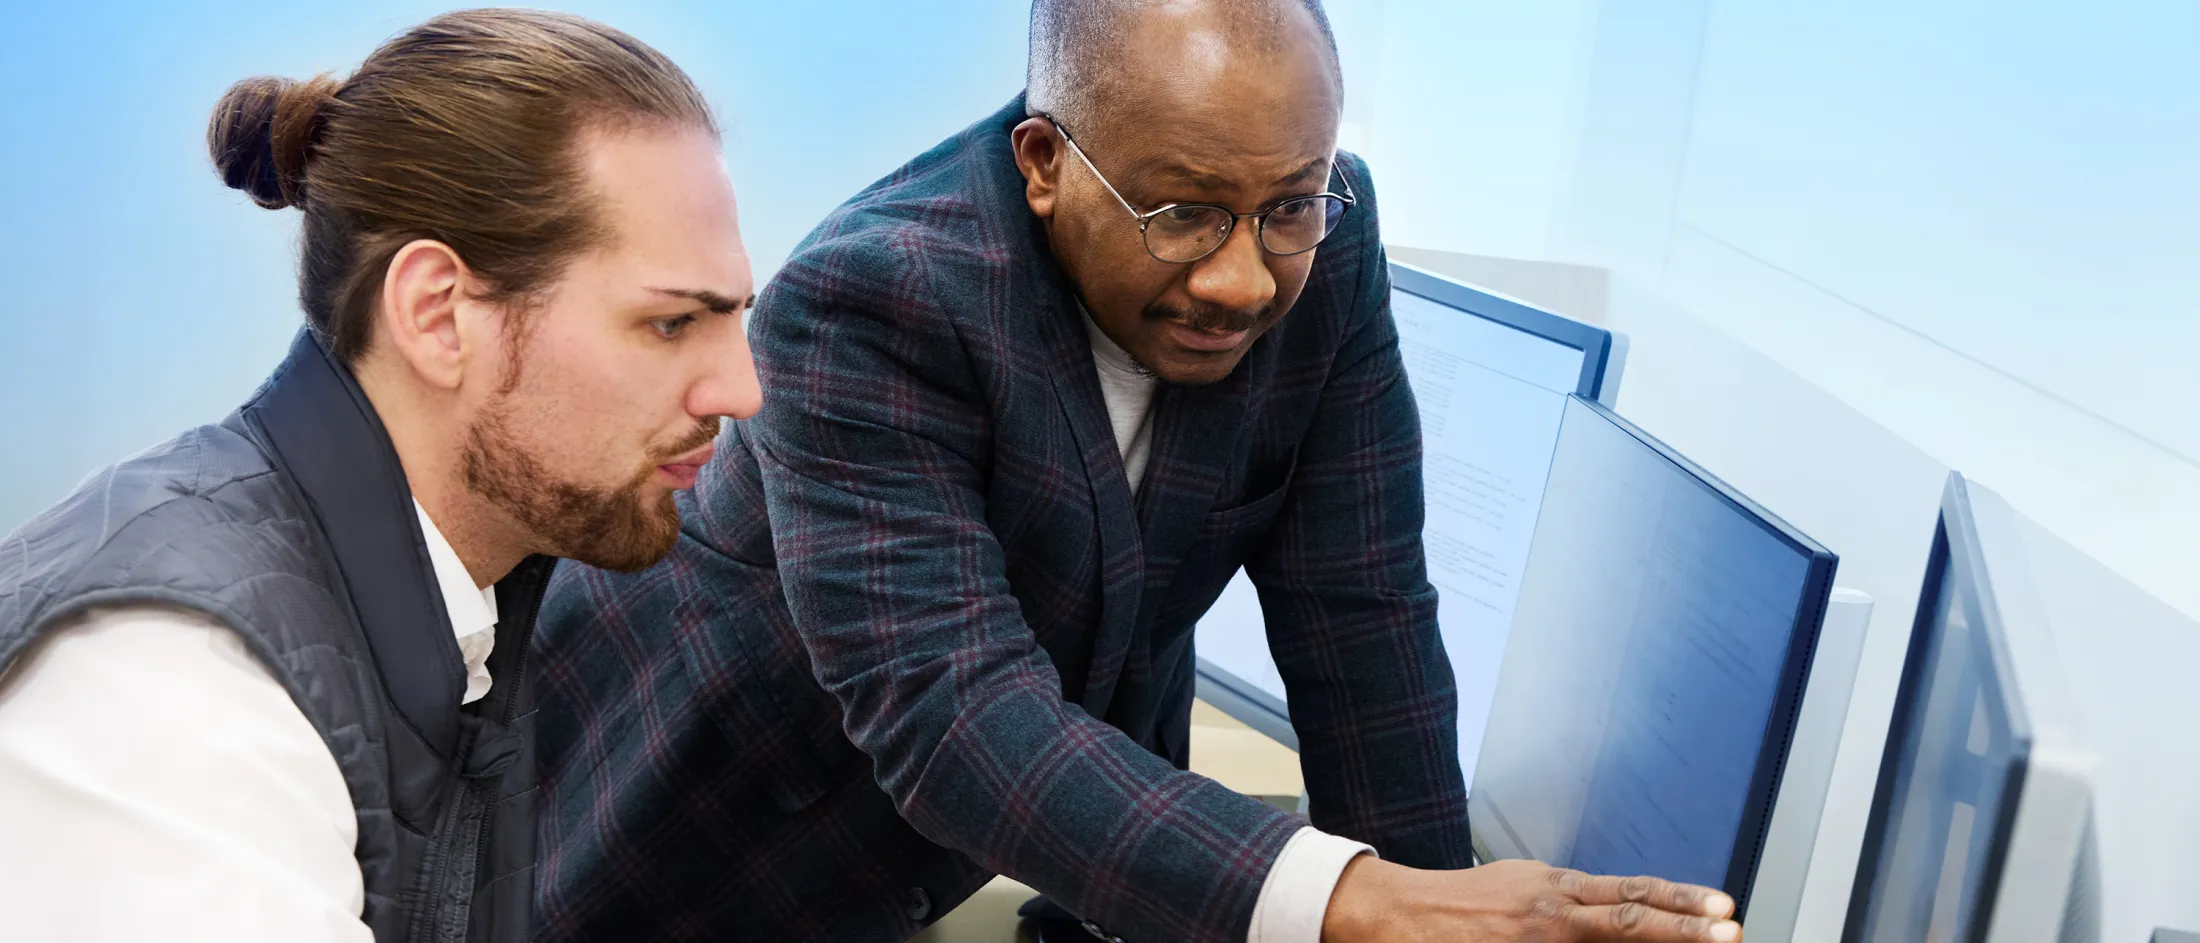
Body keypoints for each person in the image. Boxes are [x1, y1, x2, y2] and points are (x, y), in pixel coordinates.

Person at [532, 1, 1743, 941]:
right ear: (1044, 160)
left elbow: (1360, 619)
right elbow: (954, 714)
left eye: (1286, 207)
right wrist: (1358, 901)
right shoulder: (872, 298)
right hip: (719, 826)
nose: (1242, 279)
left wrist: (1435, 907)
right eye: (1181, 214)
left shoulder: (1330, 232)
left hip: (1033, 843)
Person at [0, 10, 757, 942]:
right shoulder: (170, 692)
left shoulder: (473, 619)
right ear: (439, 315)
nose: (743, 389)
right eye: (674, 323)